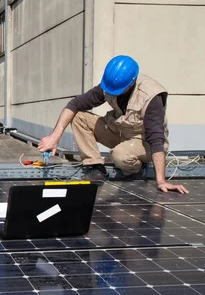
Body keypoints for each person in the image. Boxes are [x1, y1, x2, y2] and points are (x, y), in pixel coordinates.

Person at [38, 55, 188, 194]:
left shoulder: (151, 96)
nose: (114, 94)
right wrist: (54, 137)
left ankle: (134, 166)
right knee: (78, 116)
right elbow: (74, 104)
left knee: (120, 155)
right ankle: (95, 167)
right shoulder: (110, 84)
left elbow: (156, 139)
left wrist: (160, 181)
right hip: (119, 132)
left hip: (142, 141)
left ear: (131, 83)